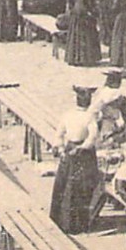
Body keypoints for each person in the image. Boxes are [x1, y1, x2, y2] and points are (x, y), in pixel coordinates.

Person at [50, 85, 101, 233]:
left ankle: (61, 221)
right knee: (83, 188)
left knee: (64, 186)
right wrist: (82, 148)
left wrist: (59, 148)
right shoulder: (90, 117)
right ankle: (79, 224)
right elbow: (93, 136)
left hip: (69, 151)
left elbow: (59, 134)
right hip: (84, 155)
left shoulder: (67, 115)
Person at [66, 0, 103, 67]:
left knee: (76, 35)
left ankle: (75, 58)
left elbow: (70, 2)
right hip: (85, 14)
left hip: (76, 13)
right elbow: (91, 5)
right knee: (87, 36)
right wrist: (96, 13)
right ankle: (86, 58)